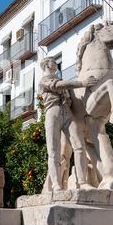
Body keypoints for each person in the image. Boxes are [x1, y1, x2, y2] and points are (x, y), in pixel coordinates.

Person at [39, 56, 97, 191]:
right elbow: (58, 86)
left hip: (66, 111)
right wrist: (82, 83)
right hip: (52, 112)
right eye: (53, 61)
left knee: (79, 144)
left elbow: (70, 95)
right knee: (53, 151)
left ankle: (82, 182)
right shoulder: (44, 80)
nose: (56, 63)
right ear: (47, 65)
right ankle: (56, 184)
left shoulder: (59, 80)